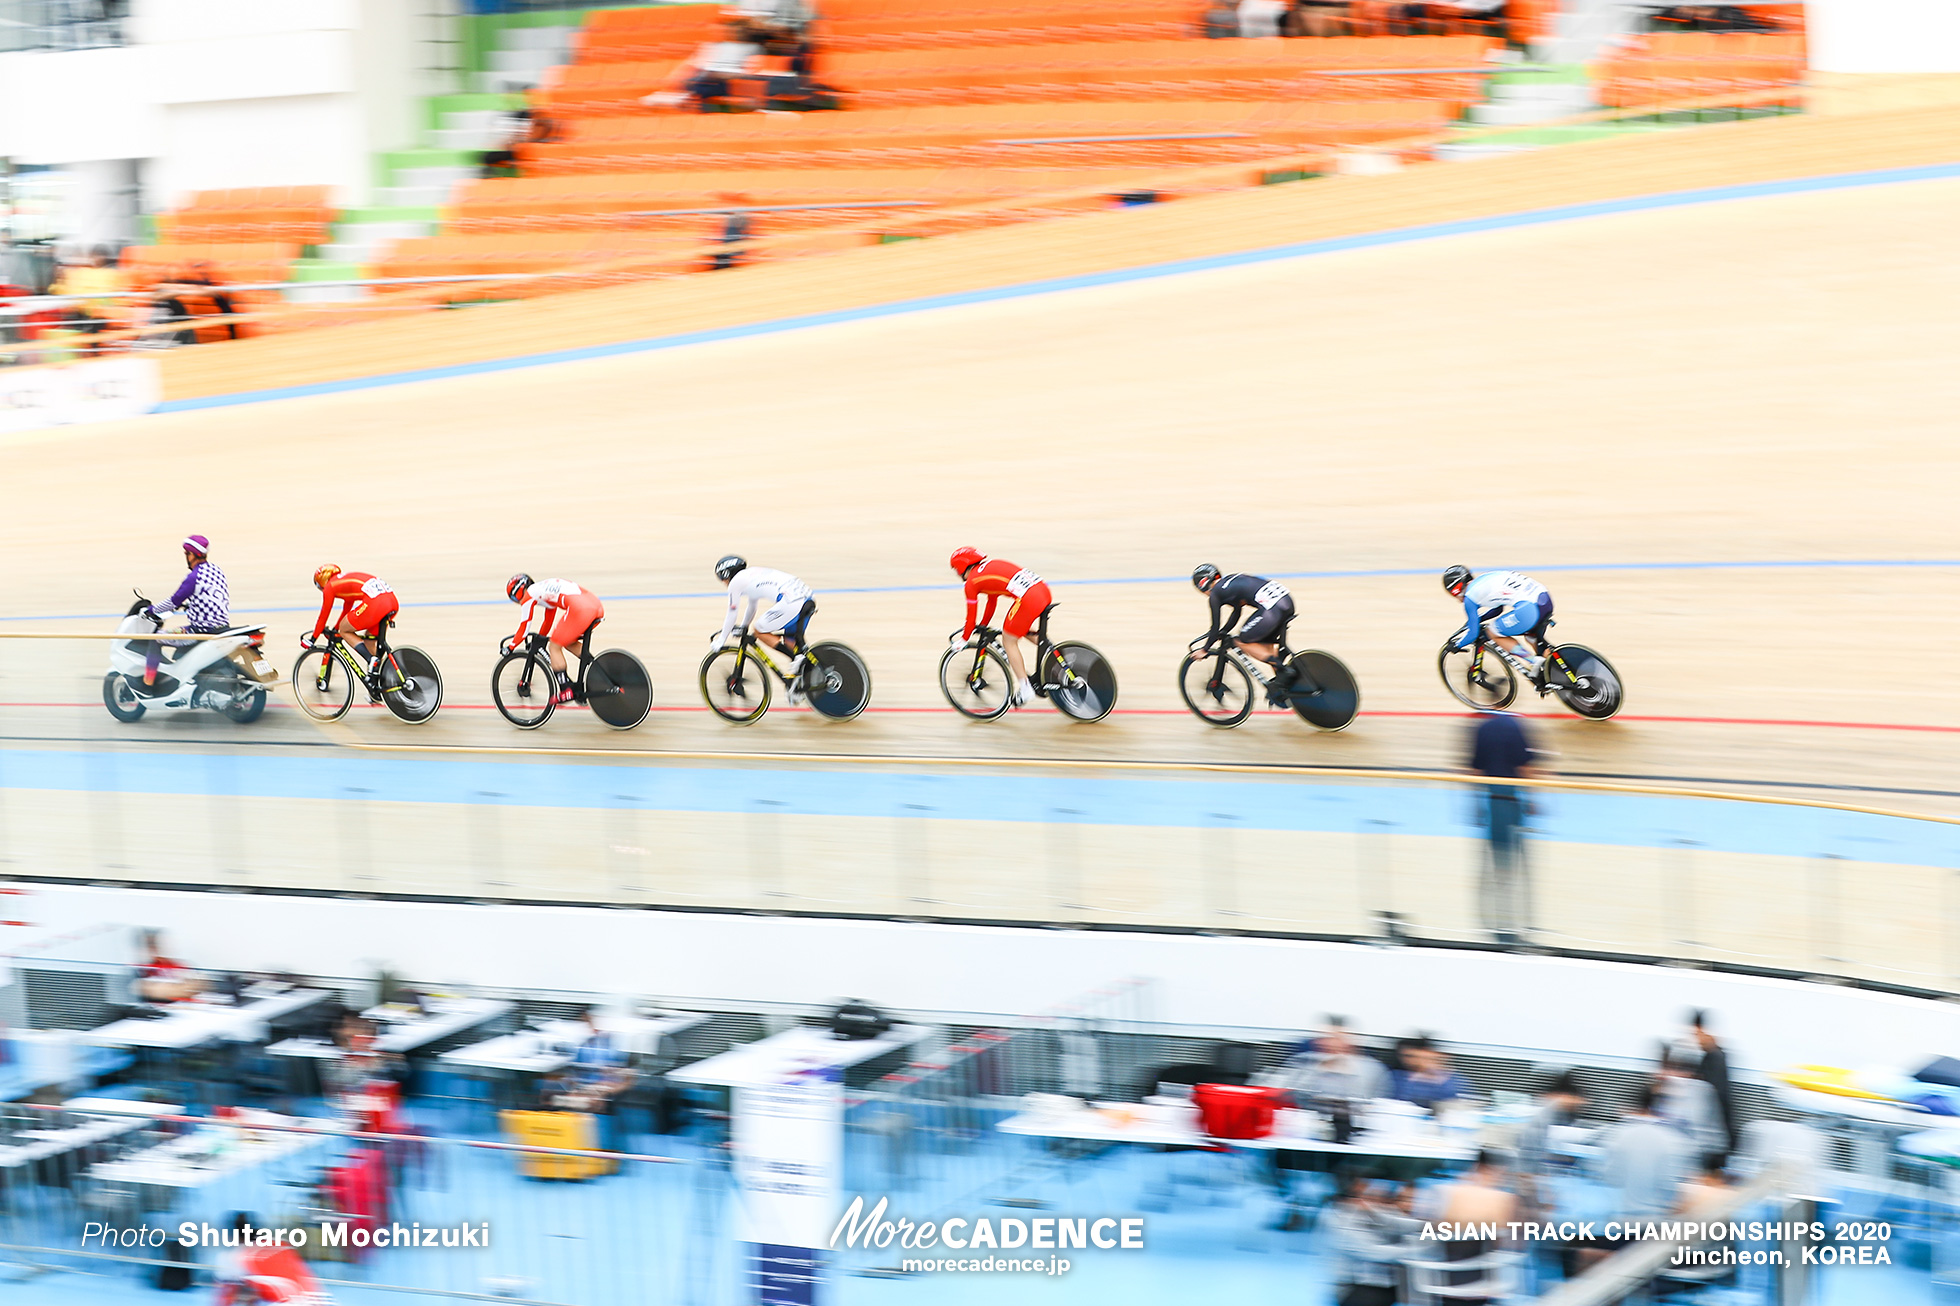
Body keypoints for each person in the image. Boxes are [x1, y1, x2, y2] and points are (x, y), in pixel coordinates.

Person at [1465, 709, 1539, 943]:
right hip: (1512, 801)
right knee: (1517, 863)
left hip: (1492, 800)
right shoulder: (1516, 726)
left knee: (1496, 865)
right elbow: (1524, 766)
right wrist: (1532, 798)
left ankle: (1496, 923)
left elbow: (1475, 770)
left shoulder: (1482, 728)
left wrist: (1476, 804)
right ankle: (1518, 925)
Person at [949, 547, 1052, 708]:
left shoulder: (972, 583)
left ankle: (1026, 689)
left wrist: (964, 639)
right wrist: (983, 625)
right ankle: (1055, 655)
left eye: (956, 569)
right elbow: (992, 601)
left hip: (1029, 598)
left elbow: (970, 617)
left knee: (1008, 640)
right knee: (1020, 628)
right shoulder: (985, 569)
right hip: (1042, 590)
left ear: (962, 566)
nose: (957, 574)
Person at [131, 533, 229, 696]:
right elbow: (210, 596)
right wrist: (191, 605)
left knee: (155, 639)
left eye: (186, 554)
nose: (186, 557)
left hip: (199, 631)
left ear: (193, 555)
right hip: (222, 627)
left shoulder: (194, 577)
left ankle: (147, 685)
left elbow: (173, 601)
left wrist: (152, 610)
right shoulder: (217, 570)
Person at [1187, 564, 1297, 703]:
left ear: (1202, 585)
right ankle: (1282, 687)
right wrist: (1225, 631)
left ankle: (1284, 671)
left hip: (1272, 610)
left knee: (1242, 640)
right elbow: (1236, 612)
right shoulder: (1229, 582)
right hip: (1286, 602)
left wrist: (1205, 649)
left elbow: (1214, 627)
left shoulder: (1215, 594)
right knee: (1263, 642)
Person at [709, 556, 816, 692]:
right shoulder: (751, 574)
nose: (723, 582)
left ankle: (798, 659)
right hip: (806, 597)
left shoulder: (735, 582)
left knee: (759, 630)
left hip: (792, 601)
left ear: (726, 574)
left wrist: (721, 640)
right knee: (791, 644)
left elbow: (732, 612)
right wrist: (744, 626)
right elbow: (752, 605)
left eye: (721, 578)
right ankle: (800, 686)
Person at [504, 574, 605, 705]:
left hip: (581, 609)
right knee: (566, 640)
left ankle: (566, 689)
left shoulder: (529, 595)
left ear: (517, 592)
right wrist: (539, 639)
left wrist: (510, 647)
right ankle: (597, 670)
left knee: (554, 646)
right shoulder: (543, 590)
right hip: (595, 606)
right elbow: (548, 621)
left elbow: (524, 627)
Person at [1326, 1172, 1419, 1305]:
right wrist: (1423, 1246)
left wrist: (1434, 1227)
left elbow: (1397, 1222)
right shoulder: (1337, 1219)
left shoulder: (1369, 1210)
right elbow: (1374, 1252)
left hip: (1380, 1282)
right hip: (1354, 1288)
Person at [1443, 565, 1553, 677]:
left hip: (1529, 609)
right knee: (1531, 637)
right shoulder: (1483, 579)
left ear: (1456, 590)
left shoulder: (1469, 599)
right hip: (1543, 599)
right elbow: (1497, 609)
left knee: (1492, 632)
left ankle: (1533, 661)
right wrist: (1478, 619)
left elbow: (1473, 634)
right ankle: (1554, 667)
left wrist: (1457, 645)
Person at [305, 565, 397, 667]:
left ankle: (371, 660)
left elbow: (323, 616)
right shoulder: (343, 580)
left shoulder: (329, 587)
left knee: (344, 630)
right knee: (369, 641)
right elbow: (347, 609)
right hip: (392, 602)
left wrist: (312, 639)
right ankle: (385, 672)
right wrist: (335, 629)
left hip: (376, 604)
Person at [1688, 1009, 1740, 1162]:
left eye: (1696, 1034)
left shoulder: (1715, 1058)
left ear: (1704, 1031)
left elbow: (1716, 1096)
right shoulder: (1715, 1056)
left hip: (1716, 1137)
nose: (1696, 1040)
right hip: (1716, 1135)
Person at [1390, 1038, 1467, 1110]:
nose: (1409, 1060)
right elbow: (1399, 1100)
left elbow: (1455, 1102)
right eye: (1406, 1056)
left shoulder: (1452, 1079)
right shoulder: (1398, 1076)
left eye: (1414, 1056)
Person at [712, 193, 752, 270]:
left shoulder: (737, 217)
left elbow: (745, 231)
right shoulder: (732, 216)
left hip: (732, 246)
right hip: (729, 246)